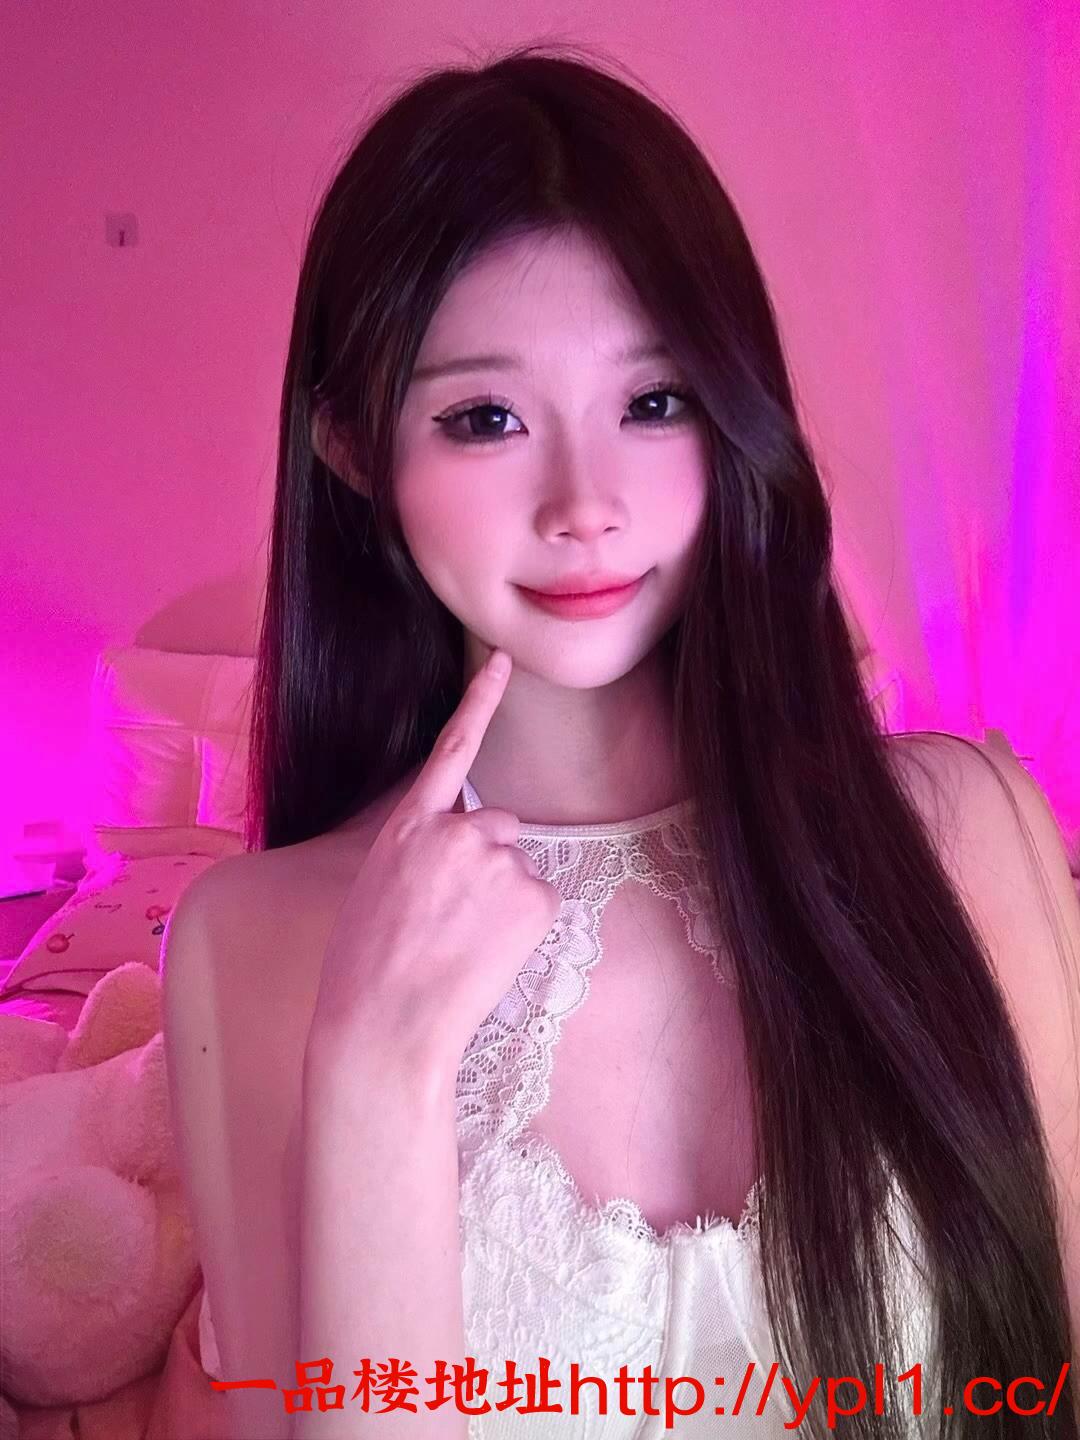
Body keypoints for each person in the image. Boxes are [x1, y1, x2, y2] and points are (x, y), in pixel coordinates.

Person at [162, 41, 1080, 1440]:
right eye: (485, 419)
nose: (584, 504)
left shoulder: (968, 829)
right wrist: (377, 1073)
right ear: (352, 446)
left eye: (654, 402)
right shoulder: (252, 938)